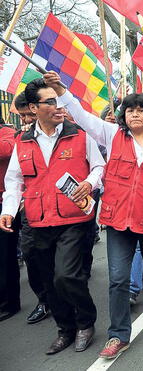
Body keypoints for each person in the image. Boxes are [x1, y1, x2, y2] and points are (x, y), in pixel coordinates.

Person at [43, 71, 143, 359]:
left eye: (141, 110)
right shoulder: (111, 136)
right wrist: (61, 88)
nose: (135, 114)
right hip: (118, 219)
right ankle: (119, 334)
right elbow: (82, 116)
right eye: (130, 110)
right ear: (124, 116)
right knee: (118, 279)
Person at [0, 78, 104, 354]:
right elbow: (14, 181)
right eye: (50, 102)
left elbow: (99, 166)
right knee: (47, 281)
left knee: (66, 276)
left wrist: (90, 183)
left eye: (57, 101)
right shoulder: (23, 141)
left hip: (73, 219)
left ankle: (85, 322)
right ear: (34, 108)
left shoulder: (79, 134)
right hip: (37, 220)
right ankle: (65, 329)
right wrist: (8, 210)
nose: (57, 107)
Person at [13, 92, 51, 324]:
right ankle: (45, 301)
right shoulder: (22, 138)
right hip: (30, 209)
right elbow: (13, 178)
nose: (27, 119)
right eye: (23, 115)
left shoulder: (67, 132)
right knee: (31, 254)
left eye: (29, 114)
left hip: (63, 210)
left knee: (64, 264)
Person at [0, 115, 20, 322]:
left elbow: (7, 149)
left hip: (6, 204)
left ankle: (9, 302)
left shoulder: (8, 134)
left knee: (5, 257)